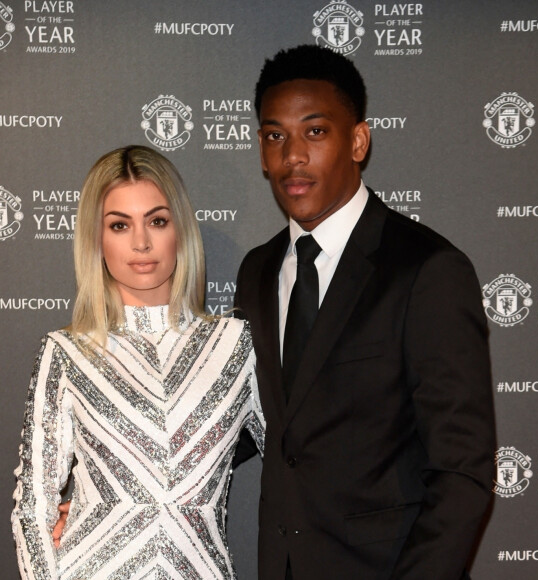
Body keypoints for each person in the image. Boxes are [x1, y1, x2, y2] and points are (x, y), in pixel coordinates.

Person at [233, 44, 495, 579]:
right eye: (275, 135)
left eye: (315, 131)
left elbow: (462, 470)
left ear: (358, 140)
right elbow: (241, 424)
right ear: (261, 150)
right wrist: (116, 492)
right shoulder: (257, 271)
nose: (293, 157)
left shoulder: (426, 269)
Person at [12, 145, 264, 580]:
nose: (142, 242)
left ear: (180, 230)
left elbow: (300, 464)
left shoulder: (236, 344)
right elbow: (33, 506)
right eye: (119, 225)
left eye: (157, 221)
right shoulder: (67, 352)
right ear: (96, 238)